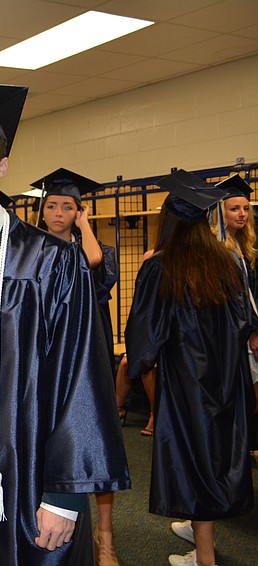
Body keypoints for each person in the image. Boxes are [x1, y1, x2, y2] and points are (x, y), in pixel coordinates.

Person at [0, 80, 130, 565]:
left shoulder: (51, 262)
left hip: (25, 479)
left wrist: (64, 494)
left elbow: (81, 375)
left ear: (1, 166)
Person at [125, 169, 257, 566]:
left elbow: (146, 335)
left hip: (186, 382)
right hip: (227, 376)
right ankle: (200, 532)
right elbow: (245, 323)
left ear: (168, 222)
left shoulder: (160, 267)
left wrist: (140, 363)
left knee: (193, 460)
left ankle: (204, 558)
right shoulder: (228, 262)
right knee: (215, 456)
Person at [34, 168, 123, 565]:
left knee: (92, 438)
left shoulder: (95, 249)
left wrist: (85, 225)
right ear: (42, 210)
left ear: (79, 211)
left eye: (68, 207)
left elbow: (93, 260)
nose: (58, 213)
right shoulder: (29, 250)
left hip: (89, 347)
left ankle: (105, 534)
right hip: (45, 352)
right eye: (52, 205)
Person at [170, 172, 258, 549]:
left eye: (245, 209)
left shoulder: (236, 253)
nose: (240, 214)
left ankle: (203, 535)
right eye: (233, 208)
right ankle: (200, 526)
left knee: (203, 446)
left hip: (202, 365)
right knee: (214, 442)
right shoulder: (223, 256)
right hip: (228, 357)